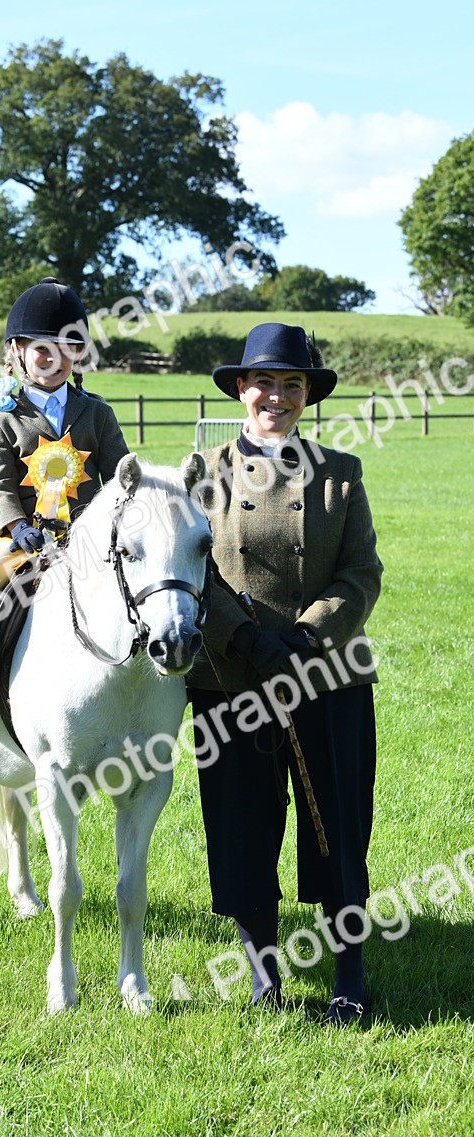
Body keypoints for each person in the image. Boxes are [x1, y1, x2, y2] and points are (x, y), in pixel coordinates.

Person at [187, 322, 383, 1025]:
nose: (277, 396)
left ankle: (350, 976)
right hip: (231, 680)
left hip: (326, 676)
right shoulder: (202, 473)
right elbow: (191, 575)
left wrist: (306, 637)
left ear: (307, 395)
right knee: (241, 826)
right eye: (264, 381)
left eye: (291, 384)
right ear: (241, 388)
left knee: (337, 827)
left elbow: (362, 573)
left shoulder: (340, 473)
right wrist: (245, 639)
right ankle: (262, 976)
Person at [0, 277, 129, 717]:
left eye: (66, 348)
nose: (53, 359)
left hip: (87, 534)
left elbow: (120, 474)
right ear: (17, 352)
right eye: (42, 348)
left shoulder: (97, 412)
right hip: (23, 534)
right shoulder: (3, 420)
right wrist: (17, 526)